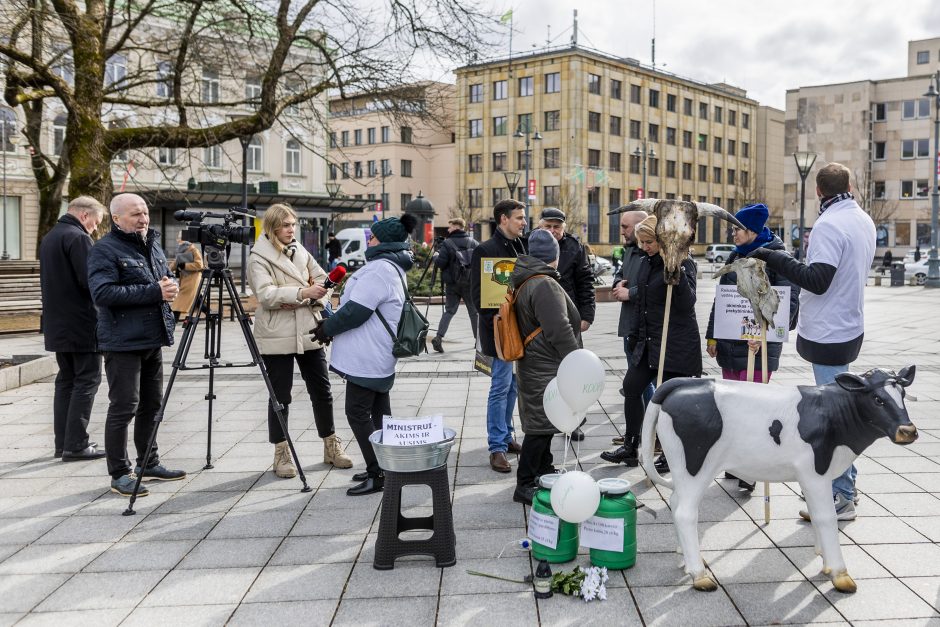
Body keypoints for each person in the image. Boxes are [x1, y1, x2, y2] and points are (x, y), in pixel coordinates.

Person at [749, 162, 875, 521]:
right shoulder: (861, 219)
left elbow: (817, 279)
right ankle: (848, 484)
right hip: (850, 325)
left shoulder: (829, 224)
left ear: (818, 191)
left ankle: (842, 496)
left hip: (829, 330)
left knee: (833, 417)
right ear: (849, 185)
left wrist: (776, 257)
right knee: (841, 406)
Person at [87, 193, 186, 497]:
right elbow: (103, 294)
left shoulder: (151, 244)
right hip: (122, 342)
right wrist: (154, 291)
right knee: (124, 407)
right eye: (135, 214)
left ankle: (149, 462)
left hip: (151, 338)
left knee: (152, 405)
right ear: (116, 219)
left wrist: (169, 285)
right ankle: (119, 473)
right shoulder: (104, 250)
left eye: (144, 213)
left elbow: (161, 279)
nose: (143, 219)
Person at [315, 214, 419, 496]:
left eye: (372, 236)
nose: (368, 240)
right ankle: (386, 466)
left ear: (383, 240)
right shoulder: (391, 266)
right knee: (380, 413)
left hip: (368, 356)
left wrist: (327, 328)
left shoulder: (380, 270)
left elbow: (356, 312)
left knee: (357, 412)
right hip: (377, 353)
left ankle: (378, 472)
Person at [248, 204, 352, 480]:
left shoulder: (300, 250)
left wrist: (311, 295)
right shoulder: (258, 257)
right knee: (280, 396)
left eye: (293, 224)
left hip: (308, 328)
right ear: (272, 228)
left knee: (322, 390)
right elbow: (265, 294)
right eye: (285, 225)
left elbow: (323, 281)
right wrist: (303, 291)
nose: (291, 230)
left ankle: (330, 445)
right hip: (277, 334)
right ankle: (281, 453)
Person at [704, 203, 800, 491]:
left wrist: (765, 331)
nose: (733, 234)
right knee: (733, 408)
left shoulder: (779, 258)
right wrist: (712, 335)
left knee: (754, 410)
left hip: (759, 349)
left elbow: (789, 303)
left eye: (737, 229)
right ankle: (736, 463)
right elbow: (722, 300)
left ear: (752, 231)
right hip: (730, 345)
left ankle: (753, 467)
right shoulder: (735, 256)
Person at [600, 215, 701, 470]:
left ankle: (670, 451)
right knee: (631, 387)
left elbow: (687, 303)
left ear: (663, 240)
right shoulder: (646, 261)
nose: (644, 246)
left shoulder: (683, 262)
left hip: (673, 342)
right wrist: (635, 336)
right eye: (642, 242)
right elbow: (641, 302)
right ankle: (631, 446)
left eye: (649, 242)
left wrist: (674, 272)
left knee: (669, 400)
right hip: (647, 340)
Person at [511, 230, 582, 505]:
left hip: (535, 361)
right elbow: (559, 330)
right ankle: (525, 482)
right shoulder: (543, 284)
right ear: (555, 256)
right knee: (540, 426)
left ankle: (544, 469)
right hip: (545, 363)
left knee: (544, 421)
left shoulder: (527, 279)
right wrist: (576, 362)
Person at [39, 196, 107, 461]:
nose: (95, 230)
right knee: (87, 380)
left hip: (58, 324)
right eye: (95, 224)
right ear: (85, 216)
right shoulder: (78, 238)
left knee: (66, 382)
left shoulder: (51, 237)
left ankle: (63, 443)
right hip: (81, 323)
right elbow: (90, 281)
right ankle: (77, 444)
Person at [470, 199, 527, 473]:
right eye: (519, 218)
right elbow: (479, 298)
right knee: (500, 386)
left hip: (521, 330)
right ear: (503, 219)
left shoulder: (522, 247)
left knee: (513, 386)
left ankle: (507, 436)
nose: (523, 223)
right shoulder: (485, 250)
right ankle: (497, 448)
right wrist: (502, 311)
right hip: (499, 330)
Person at [538, 208, 595, 441]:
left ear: (563, 227)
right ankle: (545, 419)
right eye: (548, 226)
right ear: (540, 226)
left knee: (573, 370)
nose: (553, 231)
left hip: (569, 317)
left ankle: (575, 421)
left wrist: (587, 315)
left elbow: (586, 281)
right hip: (538, 316)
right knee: (543, 372)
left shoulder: (575, 247)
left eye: (557, 227)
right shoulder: (531, 244)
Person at [608, 210, 653, 450]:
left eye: (625, 226)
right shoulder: (629, 251)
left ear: (639, 227)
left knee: (641, 384)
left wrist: (631, 292)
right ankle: (639, 432)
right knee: (636, 385)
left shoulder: (651, 254)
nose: (622, 230)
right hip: (629, 327)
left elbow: (656, 288)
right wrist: (618, 284)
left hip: (645, 330)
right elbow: (620, 274)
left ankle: (649, 433)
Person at [429, 217, 479, 353]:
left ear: (456, 227)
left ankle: (439, 337)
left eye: (450, 227)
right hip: (469, 283)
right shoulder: (474, 243)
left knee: (450, 311)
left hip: (452, 284)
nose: (448, 229)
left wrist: (435, 256)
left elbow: (440, 263)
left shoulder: (447, 243)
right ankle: (478, 341)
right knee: (474, 312)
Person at [168, 232, 205, 321]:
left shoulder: (193, 250)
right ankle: (211, 315)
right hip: (185, 279)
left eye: (179, 238)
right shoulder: (181, 250)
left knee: (179, 302)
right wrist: (167, 270)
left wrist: (185, 266)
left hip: (193, 279)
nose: (177, 240)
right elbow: (175, 263)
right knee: (197, 301)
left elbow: (199, 265)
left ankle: (173, 322)